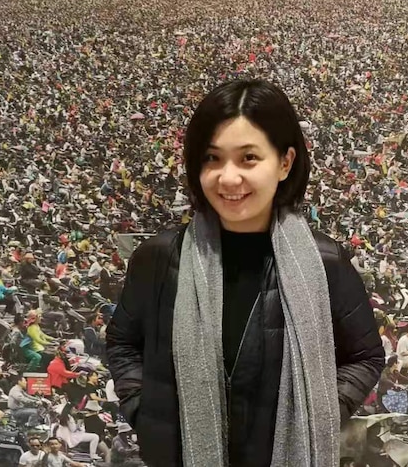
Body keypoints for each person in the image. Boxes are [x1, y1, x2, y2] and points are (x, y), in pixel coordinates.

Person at [107, 79, 383, 466]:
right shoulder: (158, 258)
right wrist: (147, 411)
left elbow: (365, 356)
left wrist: (314, 415)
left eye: (248, 158)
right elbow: (123, 343)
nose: (228, 178)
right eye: (212, 158)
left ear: (285, 162)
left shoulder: (326, 263)